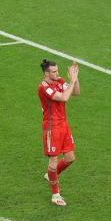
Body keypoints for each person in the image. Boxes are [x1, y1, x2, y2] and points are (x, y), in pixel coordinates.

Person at [37, 58, 79, 207]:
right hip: (51, 127)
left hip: (63, 125)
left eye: (57, 70)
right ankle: (55, 195)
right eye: (54, 71)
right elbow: (63, 97)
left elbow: (76, 93)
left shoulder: (60, 81)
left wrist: (75, 78)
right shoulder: (43, 87)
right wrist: (72, 81)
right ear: (46, 73)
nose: (57, 73)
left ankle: (50, 176)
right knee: (53, 161)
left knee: (70, 158)